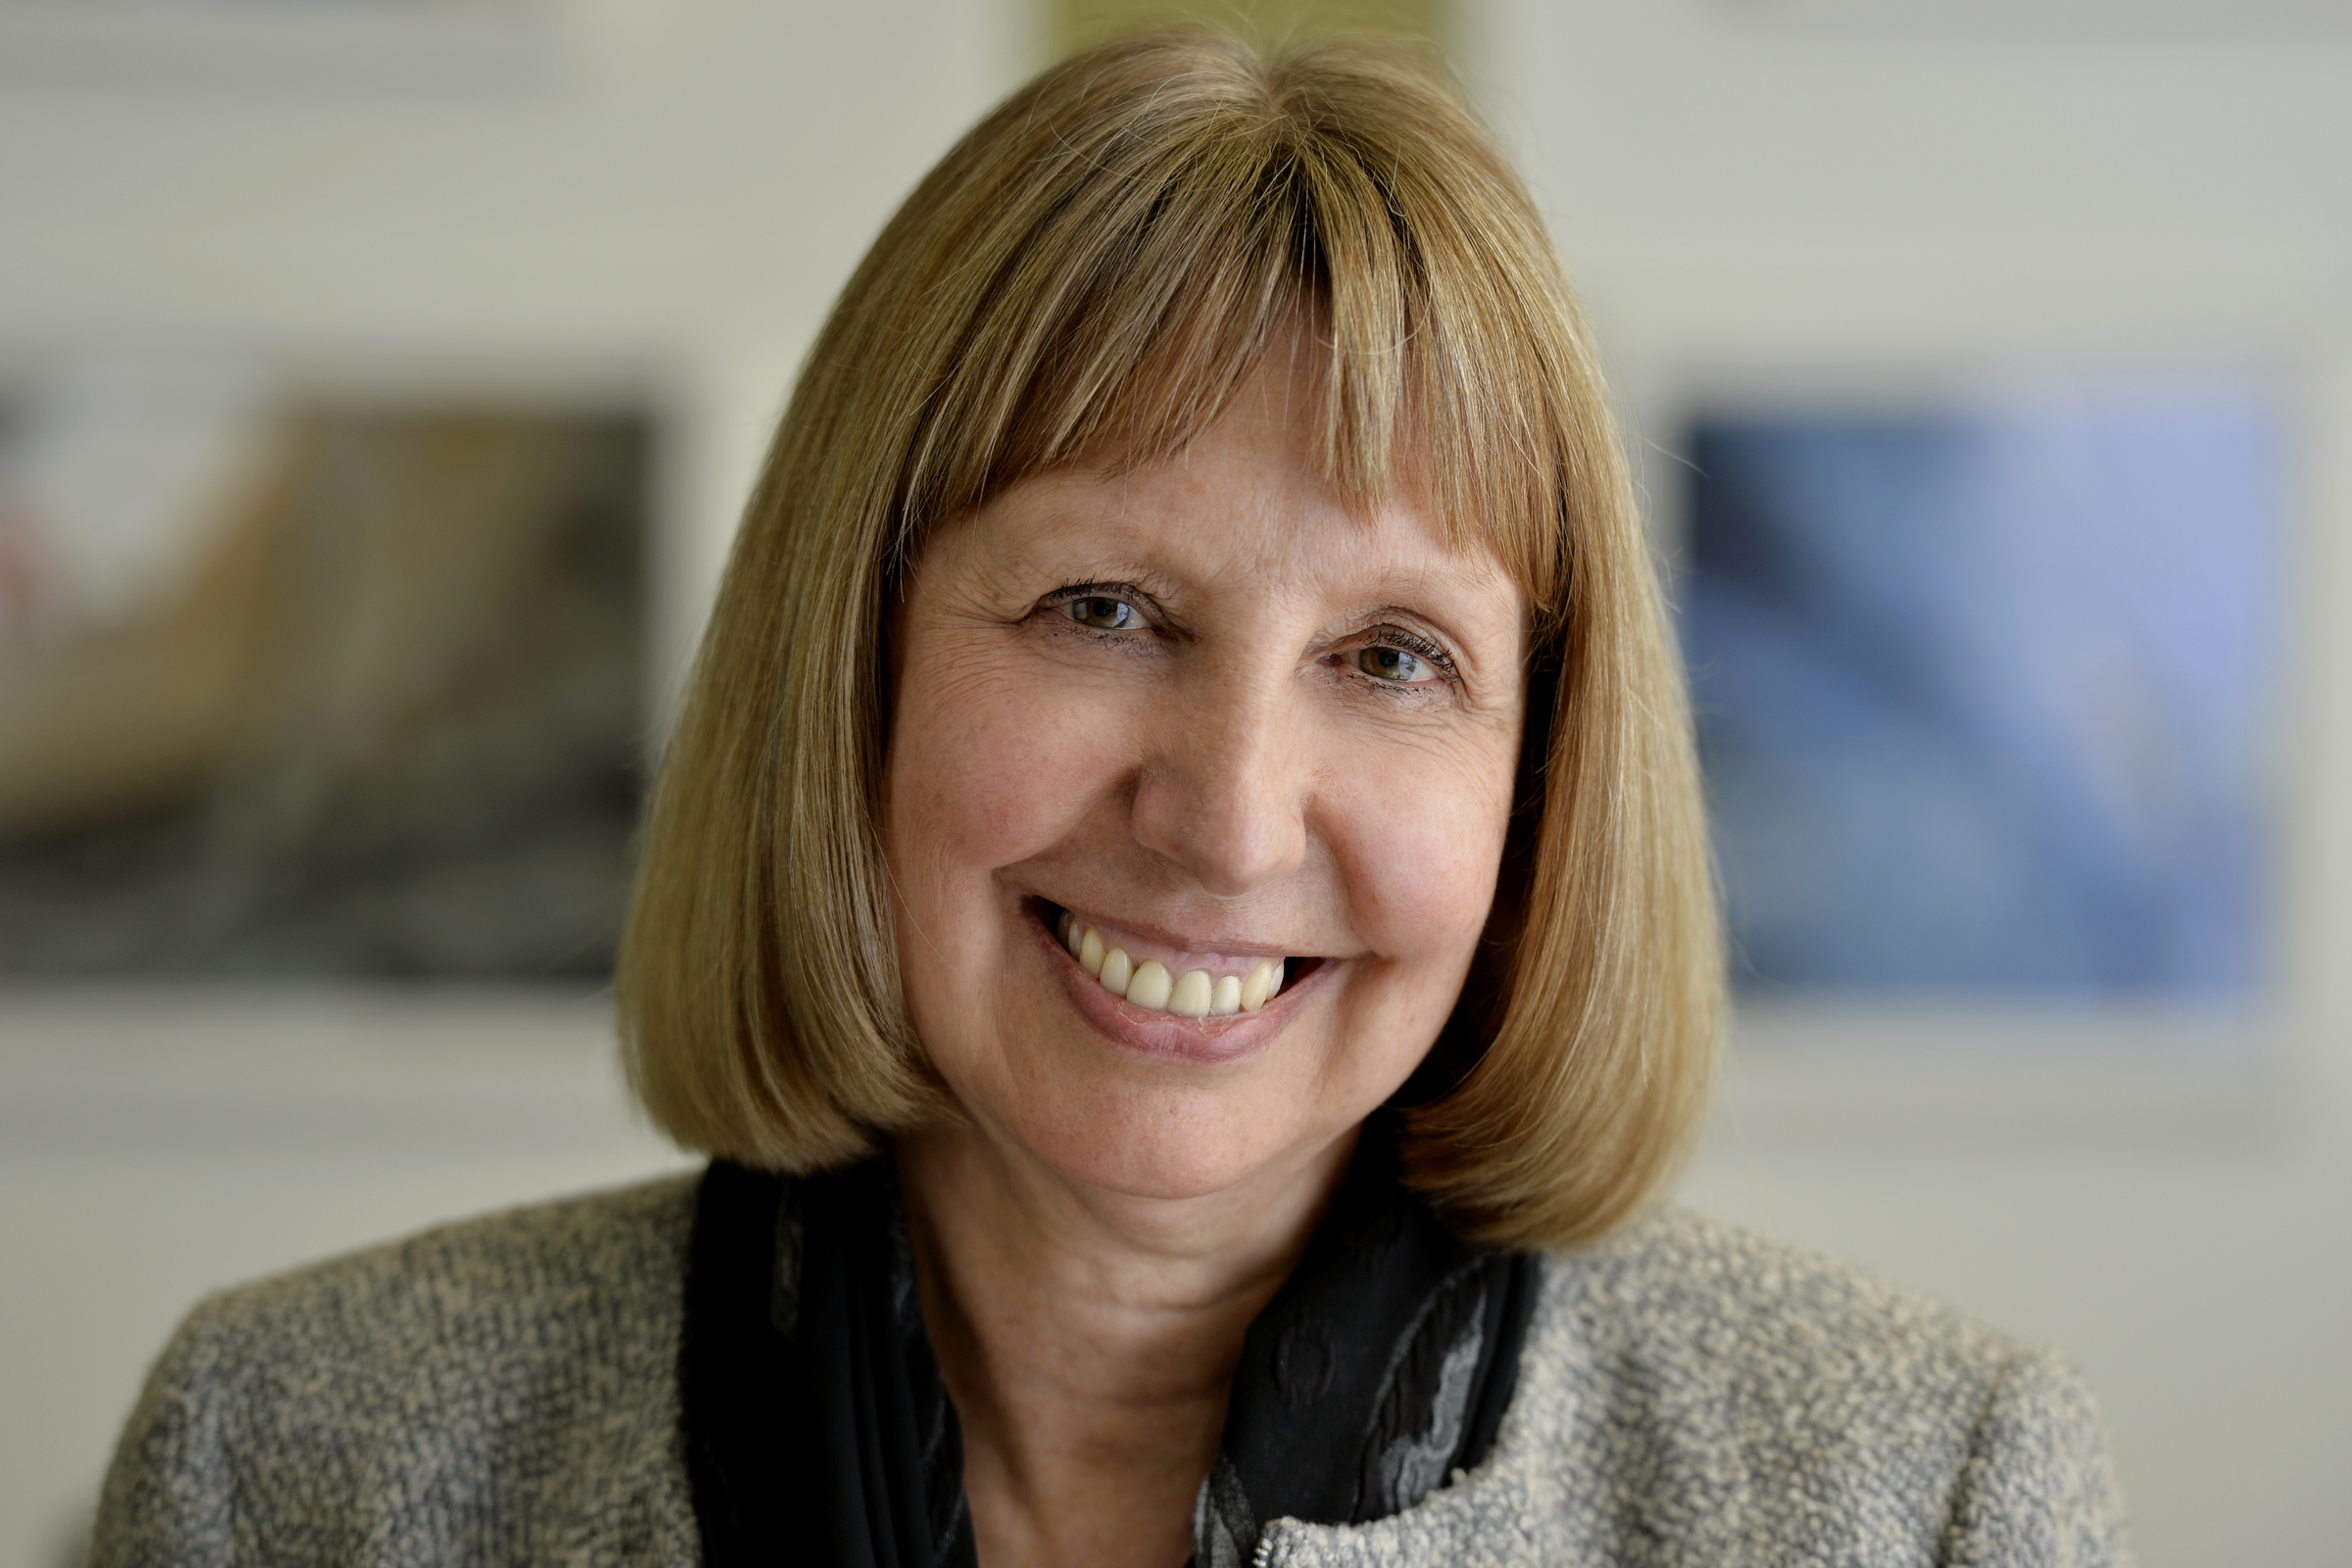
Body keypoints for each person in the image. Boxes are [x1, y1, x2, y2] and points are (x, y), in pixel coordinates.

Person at [90, 31, 2132, 1568]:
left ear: (1545, 772)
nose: (1230, 820)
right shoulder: (299, 1465)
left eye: (1392, 657)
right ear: (854, 666)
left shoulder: (1916, 1494)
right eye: (1104, 610)